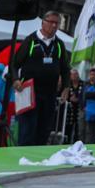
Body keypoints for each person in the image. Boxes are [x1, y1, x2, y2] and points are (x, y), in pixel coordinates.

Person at [12, 11, 71, 146]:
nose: (54, 26)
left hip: (49, 93)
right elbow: (14, 64)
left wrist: (66, 88)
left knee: (44, 129)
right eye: (51, 22)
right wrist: (15, 79)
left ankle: (38, 159)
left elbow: (65, 69)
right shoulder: (31, 41)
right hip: (30, 92)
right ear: (43, 22)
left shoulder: (59, 45)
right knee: (28, 129)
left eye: (57, 23)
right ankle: (23, 157)